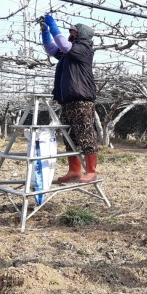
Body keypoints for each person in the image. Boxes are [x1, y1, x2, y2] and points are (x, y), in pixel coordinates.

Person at [40, 13, 99, 182]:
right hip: (68, 100)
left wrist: (52, 26)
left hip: (81, 99)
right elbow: (52, 49)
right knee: (70, 136)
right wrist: (45, 32)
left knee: (86, 133)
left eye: (74, 31)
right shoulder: (69, 52)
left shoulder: (84, 49)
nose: (71, 33)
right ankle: (74, 170)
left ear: (81, 35)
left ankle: (91, 171)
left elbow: (63, 45)